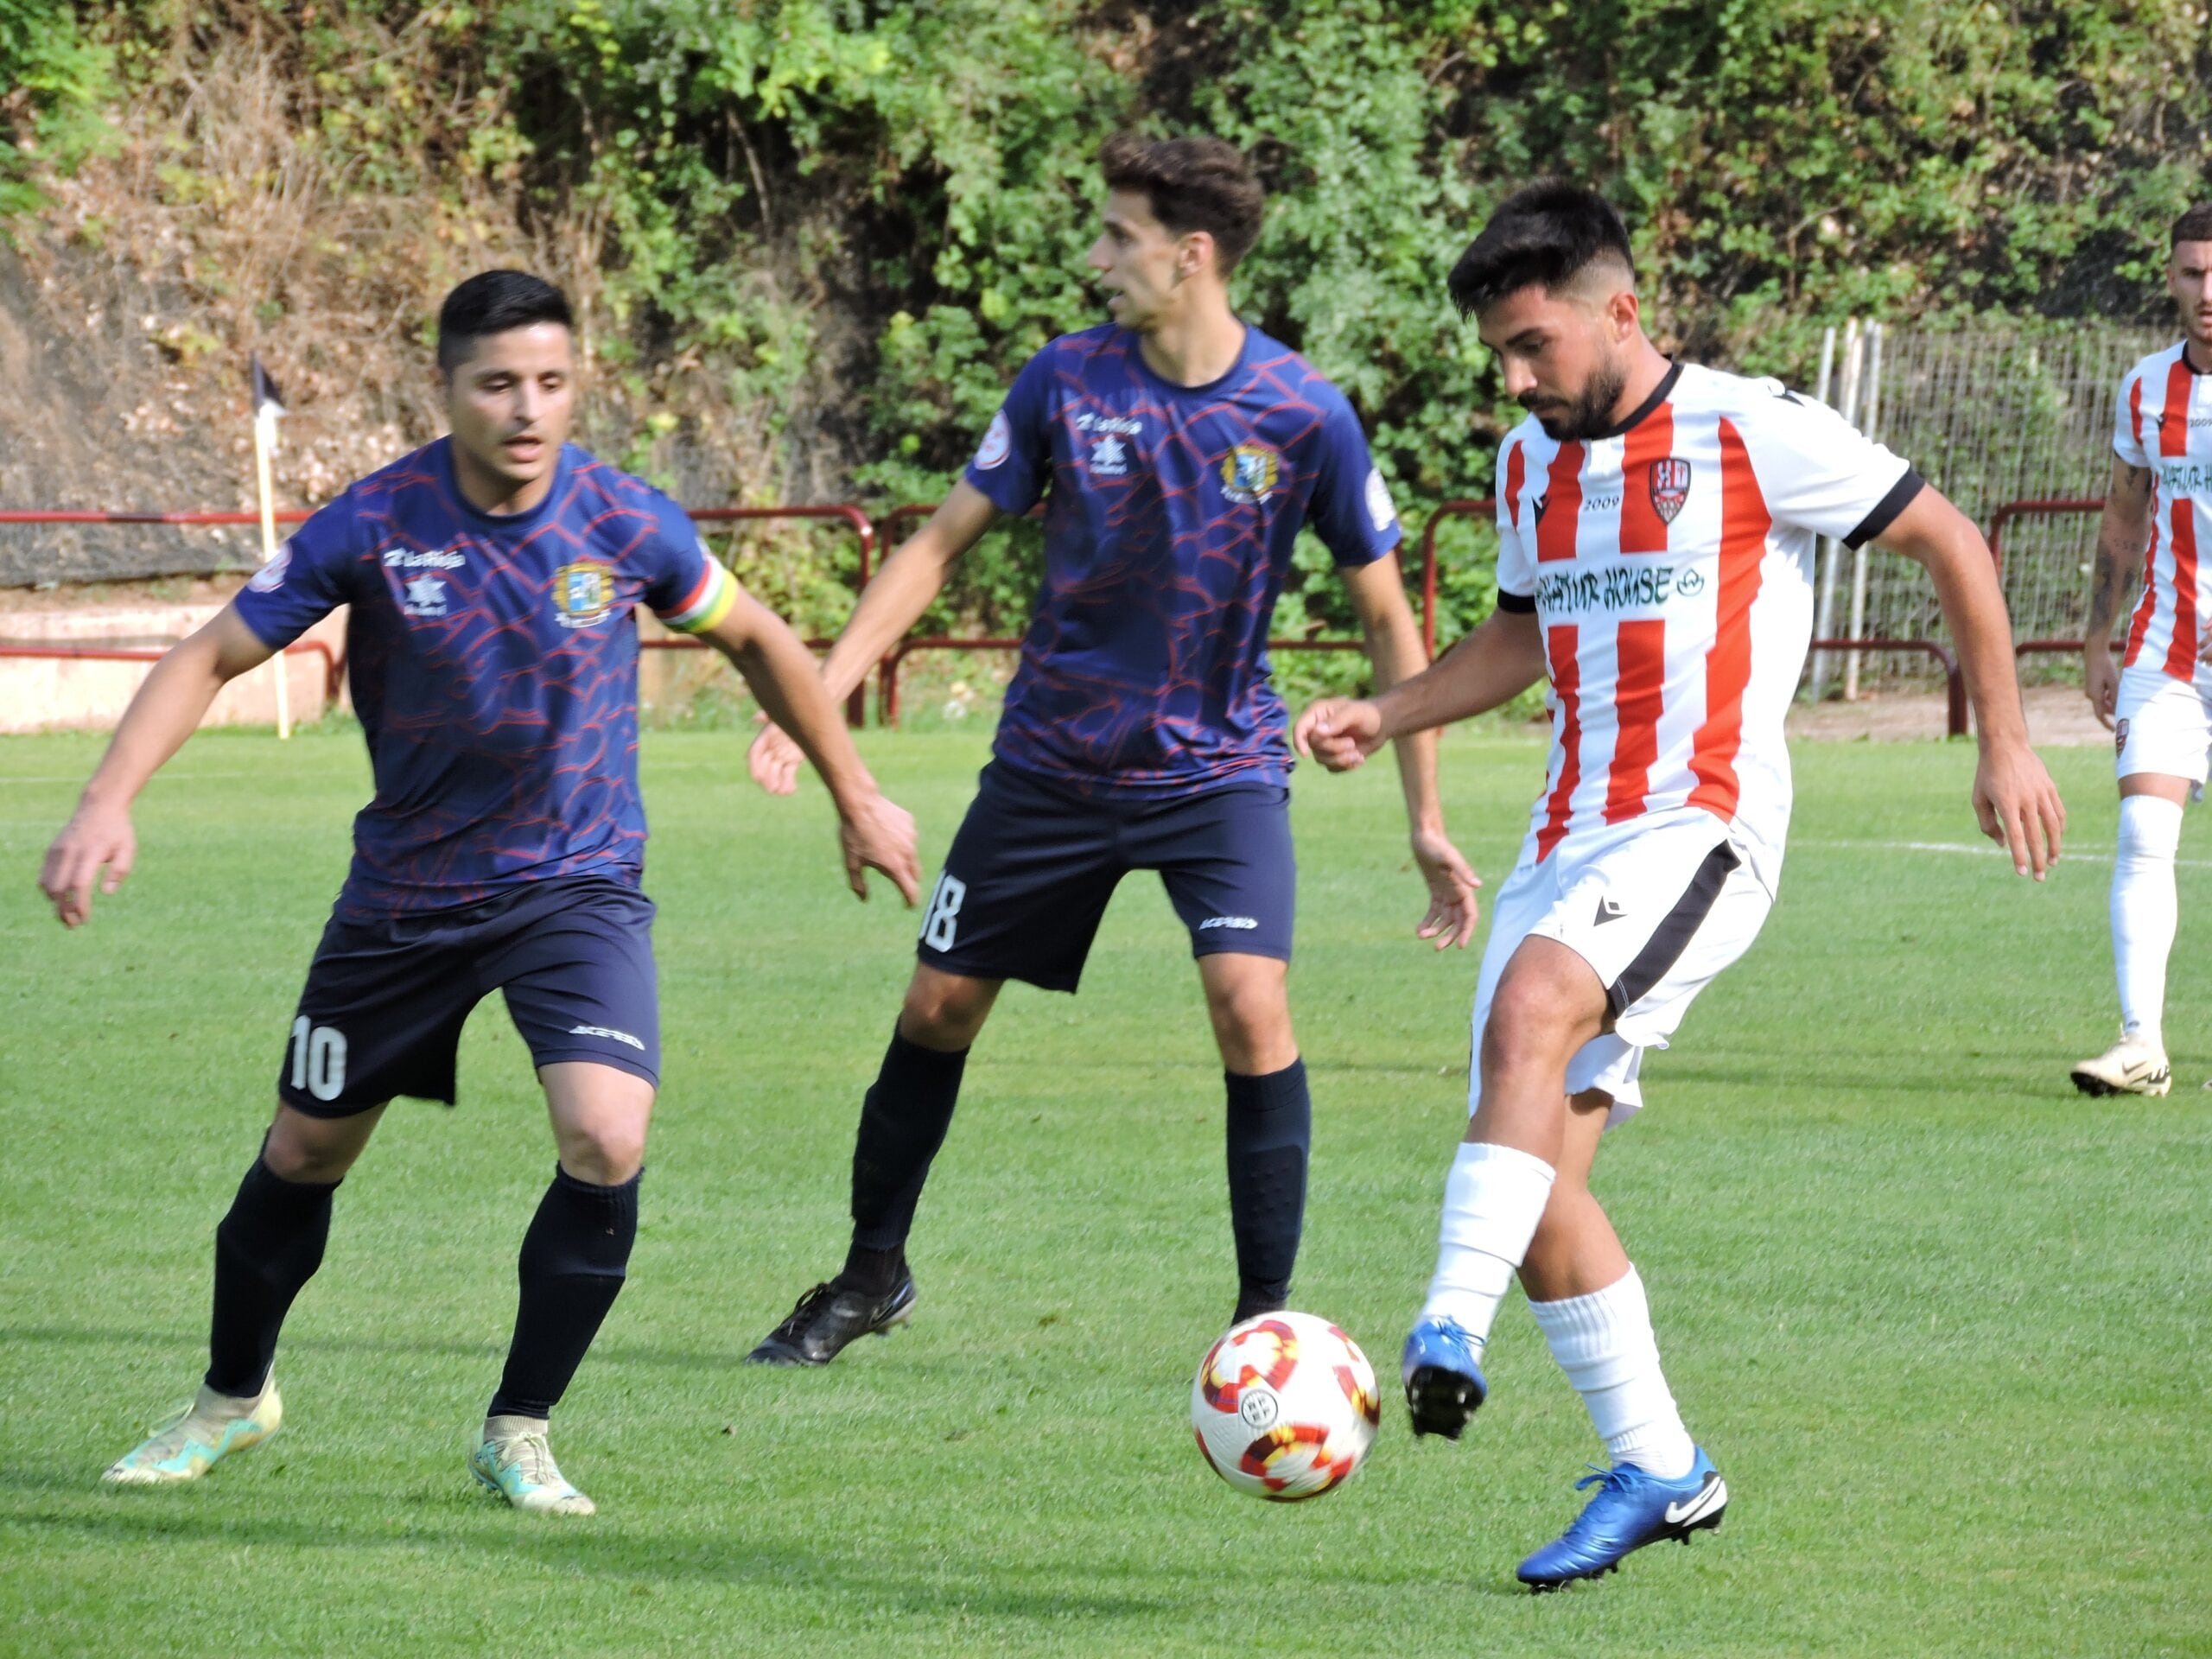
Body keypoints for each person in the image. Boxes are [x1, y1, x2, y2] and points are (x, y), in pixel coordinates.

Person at [37, 270, 919, 1516]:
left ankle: (520, 1427)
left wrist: (857, 790)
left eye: (551, 382)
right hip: (405, 900)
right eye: (497, 383)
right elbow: (213, 652)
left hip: (577, 887)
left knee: (608, 1134)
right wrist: (105, 799)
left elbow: (762, 640)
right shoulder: (376, 523)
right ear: (445, 387)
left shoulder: (624, 519)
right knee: (304, 1152)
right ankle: (231, 1402)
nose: (526, 408)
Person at [1295, 181, 2064, 1590]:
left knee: (1531, 1024)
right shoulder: (1537, 466)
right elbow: (1520, 641)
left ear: (1621, 310)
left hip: (1699, 829)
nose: (1516, 380)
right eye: (1502, 358)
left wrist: (2004, 742)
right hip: (1560, 844)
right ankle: (1663, 1467)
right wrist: (1386, 715)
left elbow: (1950, 538)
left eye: (1534, 346)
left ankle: (1440, 1327)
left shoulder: (1747, 426)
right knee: (1536, 1186)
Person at [740, 133, 1478, 1366]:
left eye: (1118, 236)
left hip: (1219, 769)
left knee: (1252, 1007)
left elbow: (1389, 614)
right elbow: (934, 546)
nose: (1097, 258)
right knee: (939, 1005)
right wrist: (819, 691)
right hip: (1052, 768)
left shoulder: (1303, 415)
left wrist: (1424, 816)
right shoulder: (1065, 384)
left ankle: (1262, 1329)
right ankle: (871, 1275)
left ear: (1190, 255)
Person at [2072, 203, 2212, 1097]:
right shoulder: (2143, 389)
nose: (2208, 292)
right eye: (2193, 274)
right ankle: (2140, 1044)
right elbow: (2125, 518)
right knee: (2140, 834)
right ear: (2169, 279)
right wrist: (2096, 633)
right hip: (2168, 653)